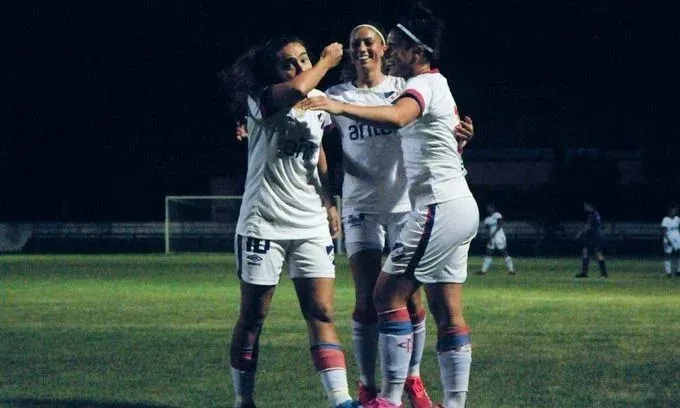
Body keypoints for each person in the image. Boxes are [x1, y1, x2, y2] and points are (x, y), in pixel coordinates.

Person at [301, 4, 479, 407]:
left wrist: (339, 107)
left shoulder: (413, 87)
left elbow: (399, 117)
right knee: (443, 309)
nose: (384, 51)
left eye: (391, 45)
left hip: (429, 206)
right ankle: (434, 400)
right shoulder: (427, 84)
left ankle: (391, 397)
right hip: (445, 203)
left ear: (410, 51)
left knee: (388, 298)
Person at [222, 35, 361, 408]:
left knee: (322, 312)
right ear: (274, 72)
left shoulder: (316, 102)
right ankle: (243, 400)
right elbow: (300, 87)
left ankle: (341, 400)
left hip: (310, 223)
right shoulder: (263, 99)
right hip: (264, 223)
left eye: (304, 58)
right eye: (289, 63)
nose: (300, 67)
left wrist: (328, 202)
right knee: (253, 318)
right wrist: (326, 61)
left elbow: (318, 153)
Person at [477, 202, 515, 275]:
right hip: (492, 238)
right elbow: (487, 229)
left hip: (499, 237)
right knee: (489, 253)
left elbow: (499, 225)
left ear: (493, 208)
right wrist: (490, 238)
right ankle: (483, 271)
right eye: (488, 208)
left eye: (490, 208)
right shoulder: (487, 219)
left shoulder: (497, 215)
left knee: (504, 252)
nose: (489, 209)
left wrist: (493, 235)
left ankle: (511, 270)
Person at [574, 201, 608, 278]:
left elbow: (588, 227)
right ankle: (584, 272)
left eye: (586, 206)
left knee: (598, 254)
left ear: (590, 206)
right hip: (593, 237)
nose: (585, 208)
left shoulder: (593, 215)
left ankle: (603, 274)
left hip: (593, 237)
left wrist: (580, 233)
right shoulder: (596, 214)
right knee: (585, 252)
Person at [661, 202, 680, 277]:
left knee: (678, 253)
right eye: (673, 210)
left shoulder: (677, 219)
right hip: (668, 239)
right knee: (667, 255)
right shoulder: (665, 219)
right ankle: (668, 272)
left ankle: (678, 271)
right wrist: (667, 240)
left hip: (677, 239)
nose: (674, 212)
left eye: (675, 211)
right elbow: (663, 231)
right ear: (669, 211)